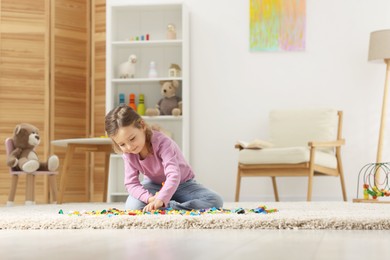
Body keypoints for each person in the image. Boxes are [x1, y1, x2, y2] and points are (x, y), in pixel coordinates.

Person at [105, 105, 223, 212]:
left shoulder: (163, 143)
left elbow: (174, 175)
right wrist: (150, 198)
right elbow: (131, 183)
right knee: (132, 207)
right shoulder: (128, 153)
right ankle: (162, 203)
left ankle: (170, 206)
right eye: (122, 144)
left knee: (215, 200)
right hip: (154, 185)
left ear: (142, 125)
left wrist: (161, 198)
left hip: (183, 184)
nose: (129, 147)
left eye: (132, 139)